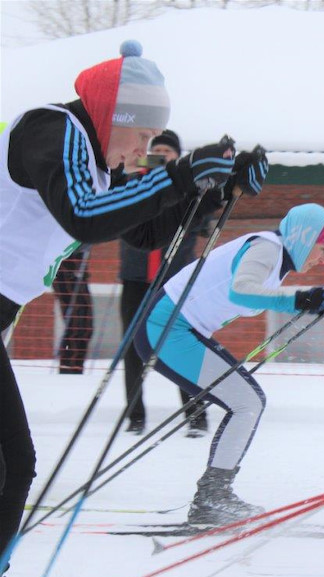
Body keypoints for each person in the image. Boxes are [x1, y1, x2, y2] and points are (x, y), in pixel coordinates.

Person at [0, 40, 265, 577]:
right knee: (12, 463)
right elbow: (87, 217)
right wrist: (180, 174)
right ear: (110, 116)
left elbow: (146, 226)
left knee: (14, 464)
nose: (142, 152)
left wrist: (214, 190)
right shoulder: (52, 128)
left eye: (151, 142)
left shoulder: (96, 161)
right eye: (140, 136)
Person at [135, 203, 324, 526]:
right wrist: (301, 300)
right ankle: (212, 498)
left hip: (180, 330)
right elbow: (243, 292)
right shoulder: (267, 247)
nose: (323, 259)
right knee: (246, 402)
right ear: (304, 238)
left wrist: (313, 303)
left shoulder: (274, 256)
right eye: (322, 249)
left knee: (247, 401)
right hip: (168, 329)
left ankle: (213, 495)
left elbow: (249, 293)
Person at [120, 129, 214, 437]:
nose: (162, 154)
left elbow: (201, 216)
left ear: (178, 157)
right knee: (133, 350)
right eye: (156, 149)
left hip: (175, 282)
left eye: (168, 151)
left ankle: (196, 416)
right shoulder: (136, 182)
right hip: (136, 279)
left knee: (180, 345)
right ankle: (135, 418)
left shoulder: (188, 190)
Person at [52, 246, 94, 374]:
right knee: (78, 324)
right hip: (65, 266)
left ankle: (74, 370)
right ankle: (69, 371)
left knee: (84, 325)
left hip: (77, 266)